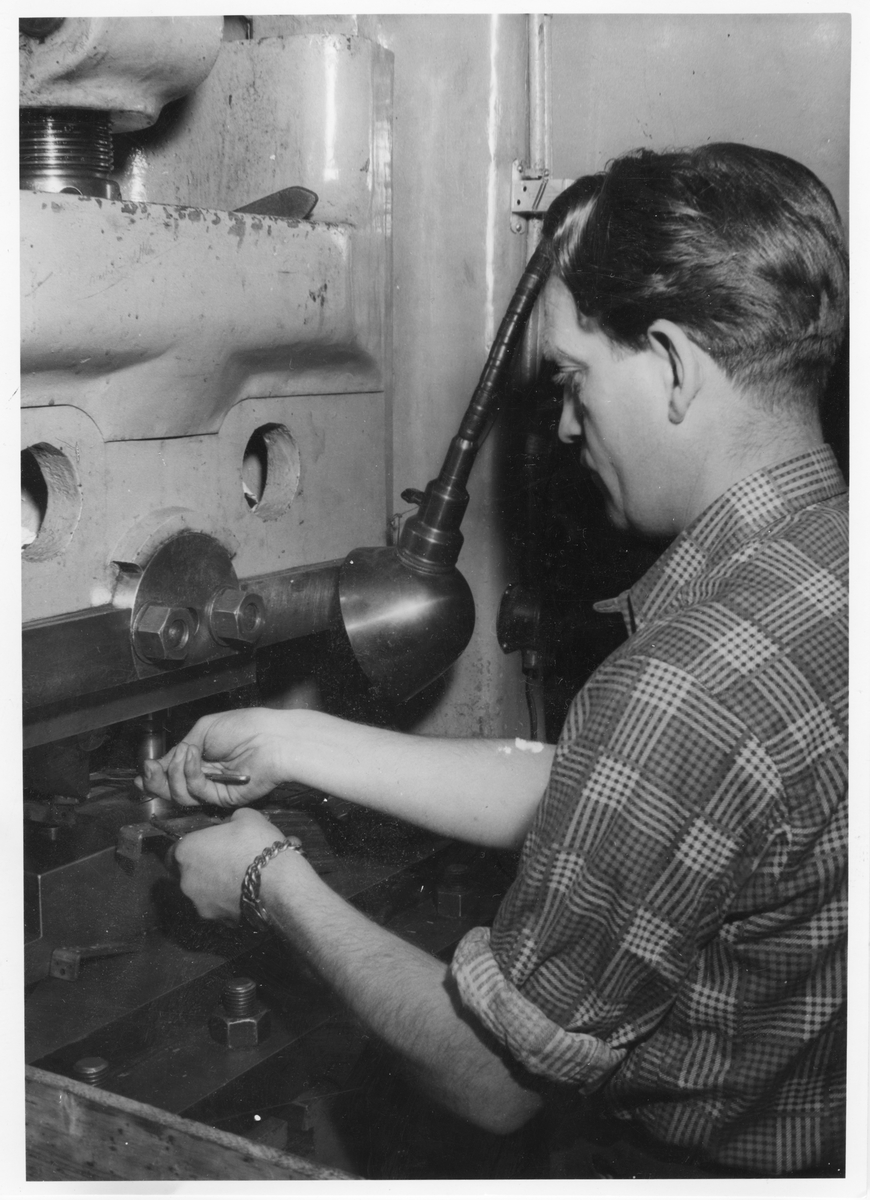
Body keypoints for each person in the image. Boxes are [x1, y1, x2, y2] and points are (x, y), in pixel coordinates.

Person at [139, 143, 849, 1177]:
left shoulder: (686, 683)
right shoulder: (824, 569)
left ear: (674, 364)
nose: (563, 424)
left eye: (573, 378)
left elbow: (492, 1079)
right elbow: (634, 800)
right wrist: (296, 740)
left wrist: (266, 881)